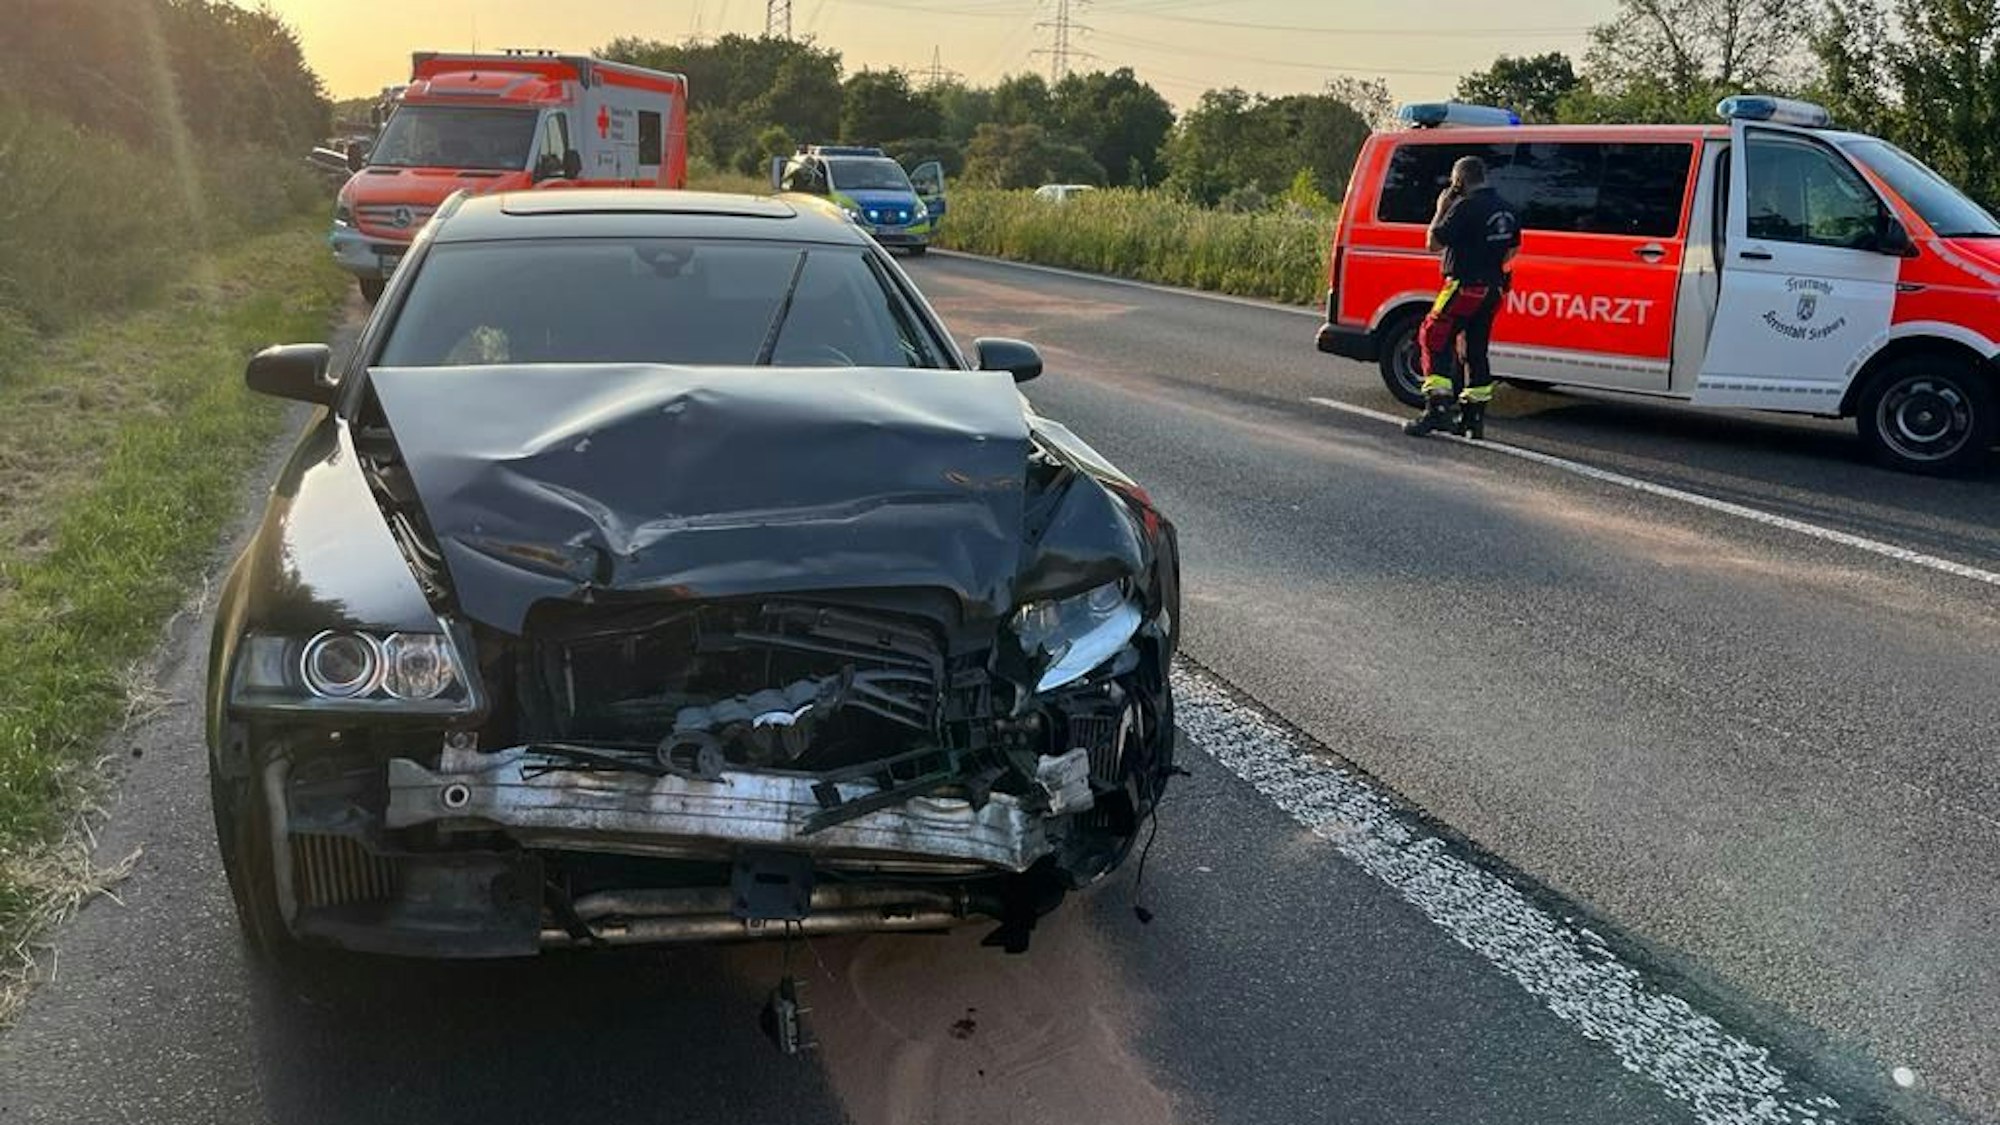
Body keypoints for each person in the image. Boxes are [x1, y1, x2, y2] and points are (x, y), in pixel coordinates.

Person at [1405, 156, 1521, 440]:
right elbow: (1512, 250)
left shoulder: (1464, 207)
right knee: (1474, 350)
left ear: (1459, 180)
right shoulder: (1507, 208)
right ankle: (1473, 419)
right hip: (1494, 289)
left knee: (1432, 335)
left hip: (1463, 286)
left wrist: (1440, 209)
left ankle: (1437, 410)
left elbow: (1433, 244)